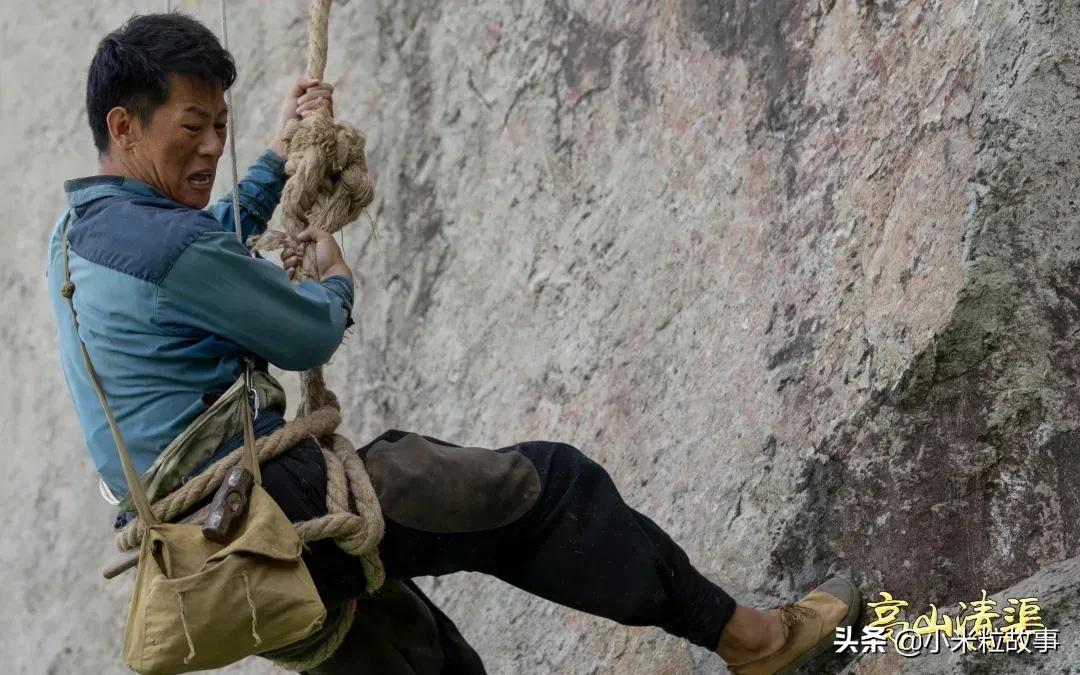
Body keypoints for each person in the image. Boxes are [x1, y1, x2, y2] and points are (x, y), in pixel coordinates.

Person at [46, 12, 860, 675]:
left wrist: (275, 161)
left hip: (214, 554)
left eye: (221, 125)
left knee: (418, 661)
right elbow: (304, 331)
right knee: (544, 490)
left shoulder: (78, 237)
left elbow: (195, 261)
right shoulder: (167, 247)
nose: (212, 146)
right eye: (194, 126)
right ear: (124, 125)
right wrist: (334, 279)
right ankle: (756, 641)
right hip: (278, 502)